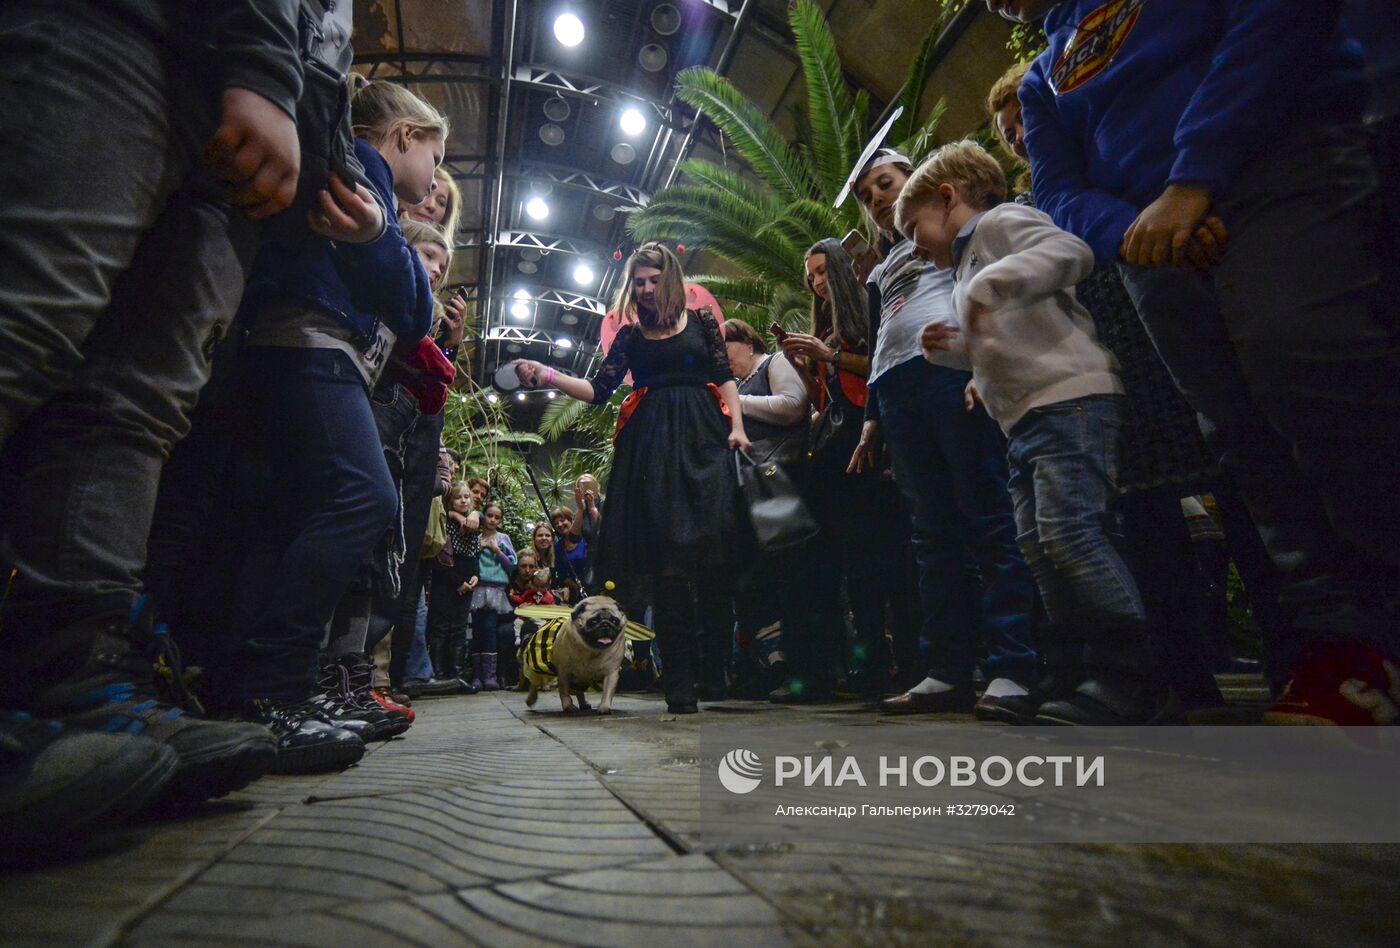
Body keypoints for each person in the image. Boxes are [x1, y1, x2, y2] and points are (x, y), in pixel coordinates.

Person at [1001, 0, 1400, 724]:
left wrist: (1194, 179)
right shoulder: (1041, 77)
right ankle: (1348, 643)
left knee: (1312, 366)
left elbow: (1278, 22)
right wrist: (1136, 229)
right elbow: (1057, 187)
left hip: (1273, 169)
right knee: (1240, 433)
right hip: (1154, 251)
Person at [0, 0, 314, 811]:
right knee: (21, 332)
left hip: (230, 98)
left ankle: (81, 687)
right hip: (134, 31)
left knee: (130, 409)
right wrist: (266, 67)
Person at [897, 140, 1178, 725]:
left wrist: (987, 288)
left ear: (947, 198)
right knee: (1037, 546)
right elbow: (996, 344)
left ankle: (1132, 672)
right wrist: (954, 353)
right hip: (1022, 421)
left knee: (1070, 533)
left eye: (913, 225)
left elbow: (1069, 250)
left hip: (1070, 400)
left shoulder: (1000, 225)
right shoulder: (966, 270)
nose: (911, 245)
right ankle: (1074, 667)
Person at [985, 61, 1228, 711]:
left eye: (1019, 125)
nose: (1015, 140)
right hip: (1101, 349)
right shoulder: (1036, 202)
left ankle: (1201, 671)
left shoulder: (1090, 173)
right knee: (1138, 515)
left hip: (1140, 326)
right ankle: (1177, 675)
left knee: (1204, 489)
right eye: (1007, 133)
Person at [221, 78, 443, 763]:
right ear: (405, 135)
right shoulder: (363, 168)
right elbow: (413, 311)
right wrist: (386, 242)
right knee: (362, 496)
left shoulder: (365, 180)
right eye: (435, 159)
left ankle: (262, 681)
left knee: (281, 520)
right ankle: (277, 685)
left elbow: (415, 310)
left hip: (304, 349)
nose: (435, 181)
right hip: (315, 349)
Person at [514, 242, 749, 714]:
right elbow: (599, 391)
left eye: (652, 280)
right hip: (650, 450)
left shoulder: (702, 324)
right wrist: (549, 375)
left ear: (670, 279)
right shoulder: (629, 337)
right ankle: (680, 684)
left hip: (704, 438)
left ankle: (718, 672)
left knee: (713, 556)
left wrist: (738, 427)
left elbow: (724, 378)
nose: (643, 289)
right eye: (637, 281)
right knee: (668, 566)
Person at [844, 149, 1038, 718]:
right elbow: (883, 336)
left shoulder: (952, 233)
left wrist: (981, 366)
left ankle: (1013, 664)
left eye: (886, 185)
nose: (878, 199)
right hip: (896, 389)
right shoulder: (881, 269)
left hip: (949, 376)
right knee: (930, 535)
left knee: (987, 514)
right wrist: (871, 419)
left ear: (918, 184)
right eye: (867, 196)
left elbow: (984, 292)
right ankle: (946, 668)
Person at [784, 239, 912, 696]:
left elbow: (877, 367)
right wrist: (805, 367)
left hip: (871, 439)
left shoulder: (864, 309)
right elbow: (828, 398)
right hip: (840, 446)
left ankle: (896, 660)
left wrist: (829, 356)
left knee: (880, 556)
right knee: (851, 561)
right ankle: (868, 662)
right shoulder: (829, 326)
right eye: (810, 276)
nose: (817, 283)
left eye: (821, 272)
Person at [723, 320, 829, 702]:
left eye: (727, 347)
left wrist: (735, 401)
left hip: (782, 482)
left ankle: (808, 671)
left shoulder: (771, 365)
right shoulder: (735, 383)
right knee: (754, 584)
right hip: (751, 492)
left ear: (748, 343)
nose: (723, 358)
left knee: (793, 577)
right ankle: (768, 666)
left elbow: (793, 406)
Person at [426, 482, 480, 689]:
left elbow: (474, 555)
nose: (464, 500)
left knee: (459, 628)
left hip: (467, 584)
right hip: (446, 582)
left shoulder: (474, 525)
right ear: (451, 501)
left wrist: (476, 576)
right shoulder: (447, 524)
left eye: (467, 497)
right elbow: (442, 559)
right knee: (440, 627)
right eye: (459, 497)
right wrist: (459, 582)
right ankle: (439, 674)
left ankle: (456, 674)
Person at [467, 502, 517, 691]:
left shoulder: (503, 539)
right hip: (478, 588)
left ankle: (490, 675)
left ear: (500, 520)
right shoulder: (476, 538)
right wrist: (479, 548)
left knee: (489, 629)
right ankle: (477, 675)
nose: (492, 520)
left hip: (495, 590)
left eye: (497, 517)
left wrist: (496, 550)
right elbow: (470, 559)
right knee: (476, 631)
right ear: (484, 517)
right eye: (489, 516)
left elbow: (511, 565)